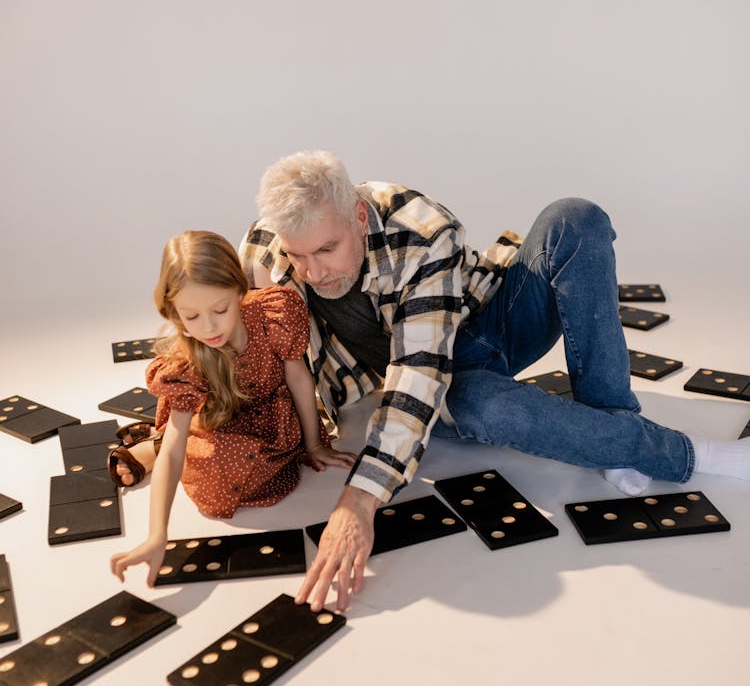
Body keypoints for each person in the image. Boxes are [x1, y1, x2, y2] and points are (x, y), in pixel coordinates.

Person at [239, 151, 750, 613]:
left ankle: (636, 433)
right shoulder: (265, 250)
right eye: (298, 256)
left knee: (575, 215)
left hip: (485, 327)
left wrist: (359, 499)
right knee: (487, 407)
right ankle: (615, 443)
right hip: (447, 387)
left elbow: (421, 365)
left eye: (327, 250)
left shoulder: (419, 228)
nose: (314, 271)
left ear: (355, 215)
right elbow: (226, 328)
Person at [109, 230, 356, 586]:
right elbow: (178, 449)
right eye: (190, 317)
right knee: (216, 479)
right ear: (174, 312)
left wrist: (314, 443)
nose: (208, 327)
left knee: (258, 466)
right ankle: (153, 445)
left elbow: (300, 379)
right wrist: (156, 535)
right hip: (218, 422)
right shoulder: (189, 358)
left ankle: (150, 440)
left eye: (220, 310)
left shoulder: (273, 313)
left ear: (240, 292)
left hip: (274, 418)